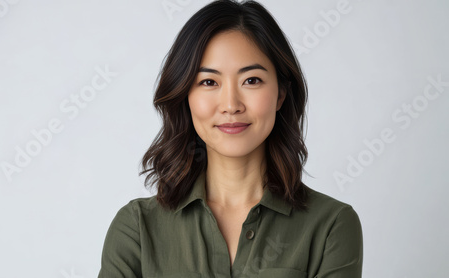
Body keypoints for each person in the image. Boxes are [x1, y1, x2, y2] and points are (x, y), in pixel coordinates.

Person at [97, 0, 363, 277]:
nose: (231, 104)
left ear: (281, 94)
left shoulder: (332, 224)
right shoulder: (137, 227)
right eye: (209, 82)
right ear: (185, 96)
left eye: (251, 80)